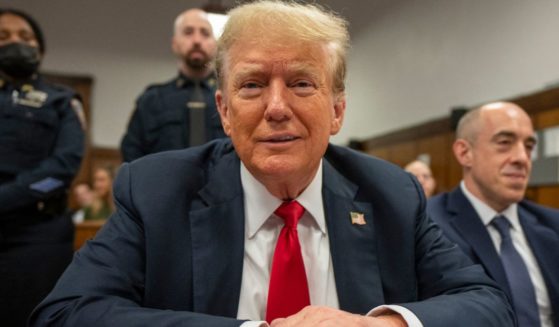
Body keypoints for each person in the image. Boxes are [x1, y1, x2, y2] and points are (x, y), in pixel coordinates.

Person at [30, 2, 514, 326]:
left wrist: (382, 324)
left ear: (338, 111)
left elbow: (489, 304)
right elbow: (66, 312)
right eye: (252, 85)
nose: (277, 107)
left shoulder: (389, 193)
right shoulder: (157, 190)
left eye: (302, 84)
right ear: (223, 110)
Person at [427, 102, 559, 327]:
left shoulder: (553, 224)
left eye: (528, 146)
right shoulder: (428, 223)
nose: (522, 158)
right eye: (505, 143)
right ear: (464, 153)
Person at [0, 8, 85, 327]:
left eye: (25, 37)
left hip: (37, 233)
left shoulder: (61, 100)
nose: (15, 43)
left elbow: (61, 171)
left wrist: (6, 198)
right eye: (3, 37)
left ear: (40, 48)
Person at [120, 8, 226, 162]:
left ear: (215, 45)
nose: (197, 40)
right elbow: (132, 153)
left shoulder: (229, 98)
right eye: (188, 32)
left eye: (205, 33)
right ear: (175, 43)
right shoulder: (151, 101)